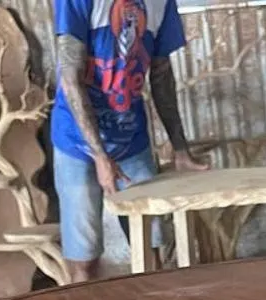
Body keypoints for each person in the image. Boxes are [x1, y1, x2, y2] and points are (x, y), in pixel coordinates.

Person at [53, 0, 207, 282]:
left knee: (150, 249)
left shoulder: (161, 4)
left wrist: (180, 149)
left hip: (130, 139)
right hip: (76, 141)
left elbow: (161, 75)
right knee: (85, 260)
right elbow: (70, 78)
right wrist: (100, 155)